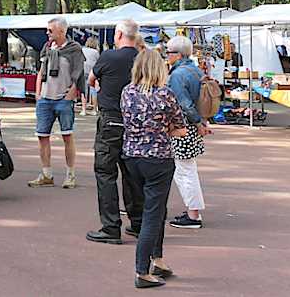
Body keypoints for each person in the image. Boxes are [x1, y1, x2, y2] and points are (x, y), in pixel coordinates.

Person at [120, 49, 187, 289]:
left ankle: (158, 260)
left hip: (131, 157)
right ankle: (142, 271)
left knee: (154, 209)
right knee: (153, 213)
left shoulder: (127, 92)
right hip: (158, 159)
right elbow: (181, 129)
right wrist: (161, 130)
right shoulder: (165, 95)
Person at [86, 19, 144, 244]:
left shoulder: (108, 57)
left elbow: (91, 80)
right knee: (132, 174)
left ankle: (111, 227)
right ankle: (138, 222)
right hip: (136, 122)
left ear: (119, 34)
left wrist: (103, 86)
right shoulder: (142, 59)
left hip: (110, 120)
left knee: (105, 173)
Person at [29, 17, 85, 189]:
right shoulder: (47, 48)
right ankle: (46, 174)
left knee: (67, 136)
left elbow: (79, 73)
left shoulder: (74, 49)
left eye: (50, 30)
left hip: (63, 99)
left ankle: (70, 175)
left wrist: (71, 94)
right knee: (42, 136)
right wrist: (38, 93)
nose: (47, 33)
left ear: (62, 31)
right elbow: (41, 71)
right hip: (45, 99)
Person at [166, 35, 210, 229]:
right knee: (187, 168)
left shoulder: (177, 75)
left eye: (168, 52)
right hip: (192, 125)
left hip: (183, 126)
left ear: (177, 54)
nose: (166, 55)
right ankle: (193, 211)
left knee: (184, 171)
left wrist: (197, 122)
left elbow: (183, 104)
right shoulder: (196, 70)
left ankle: (193, 214)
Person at [81, 37, 100, 116]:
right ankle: (94, 110)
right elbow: (98, 62)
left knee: (83, 91)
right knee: (93, 91)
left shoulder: (82, 50)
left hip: (83, 71)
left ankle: (84, 110)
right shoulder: (96, 52)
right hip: (92, 72)